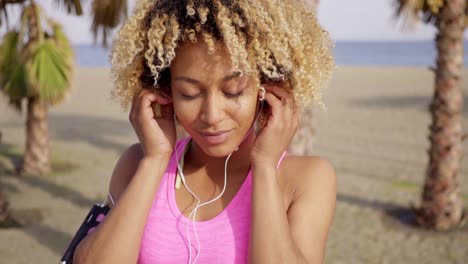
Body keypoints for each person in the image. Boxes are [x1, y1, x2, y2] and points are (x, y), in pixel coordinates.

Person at [73, 0, 336, 263]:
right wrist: (154, 161)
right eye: (190, 93)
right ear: (166, 91)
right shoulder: (136, 164)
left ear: (266, 87)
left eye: (233, 91)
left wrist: (265, 167)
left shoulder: (306, 180)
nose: (211, 115)